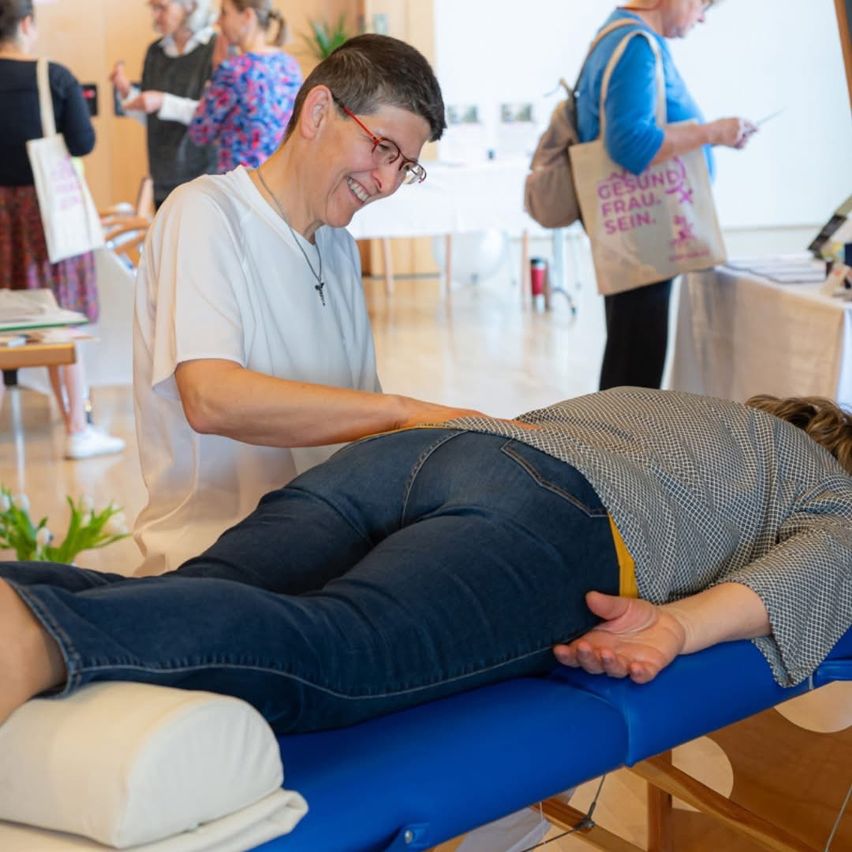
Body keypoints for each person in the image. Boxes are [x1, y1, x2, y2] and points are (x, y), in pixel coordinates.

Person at [1, 388, 850, 732]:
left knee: (202, 591)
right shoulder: (827, 483)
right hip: (559, 511)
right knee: (340, 644)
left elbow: (515, 435)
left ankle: (19, 599)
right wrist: (672, 627)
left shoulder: (672, 403)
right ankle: (34, 639)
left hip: (420, 452)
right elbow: (821, 566)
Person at [133, 34, 482, 574]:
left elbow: (358, 422)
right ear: (318, 112)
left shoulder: (337, 247)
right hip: (216, 562)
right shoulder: (205, 212)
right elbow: (210, 398)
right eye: (382, 148)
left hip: (324, 551)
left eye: (405, 167)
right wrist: (402, 412)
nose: (386, 182)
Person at [575, 1, 757, 391]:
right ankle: (622, 433)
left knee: (630, 354)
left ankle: (617, 430)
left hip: (637, 231)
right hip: (646, 233)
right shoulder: (636, 44)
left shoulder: (619, 34)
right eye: (702, 5)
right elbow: (630, 145)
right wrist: (712, 132)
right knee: (636, 365)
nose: (702, 17)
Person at [0, 0, 125, 459]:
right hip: (45, 217)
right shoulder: (52, 77)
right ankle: (77, 429)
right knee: (60, 315)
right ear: (27, 24)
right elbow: (83, 143)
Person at [110, 0, 220, 209]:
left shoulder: (215, 49)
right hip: (163, 179)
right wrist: (127, 94)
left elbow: (213, 116)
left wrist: (162, 101)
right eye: (152, 8)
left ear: (189, 6)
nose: (155, 15)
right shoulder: (155, 52)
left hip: (205, 178)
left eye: (161, 7)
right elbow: (152, 119)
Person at [188, 0, 302, 172]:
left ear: (247, 16)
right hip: (279, 179)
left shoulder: (234, 71)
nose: (218, 22)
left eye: (224, 13)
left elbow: (200, 132)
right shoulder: (290, 65)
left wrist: (216, 71)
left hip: (240, 182)